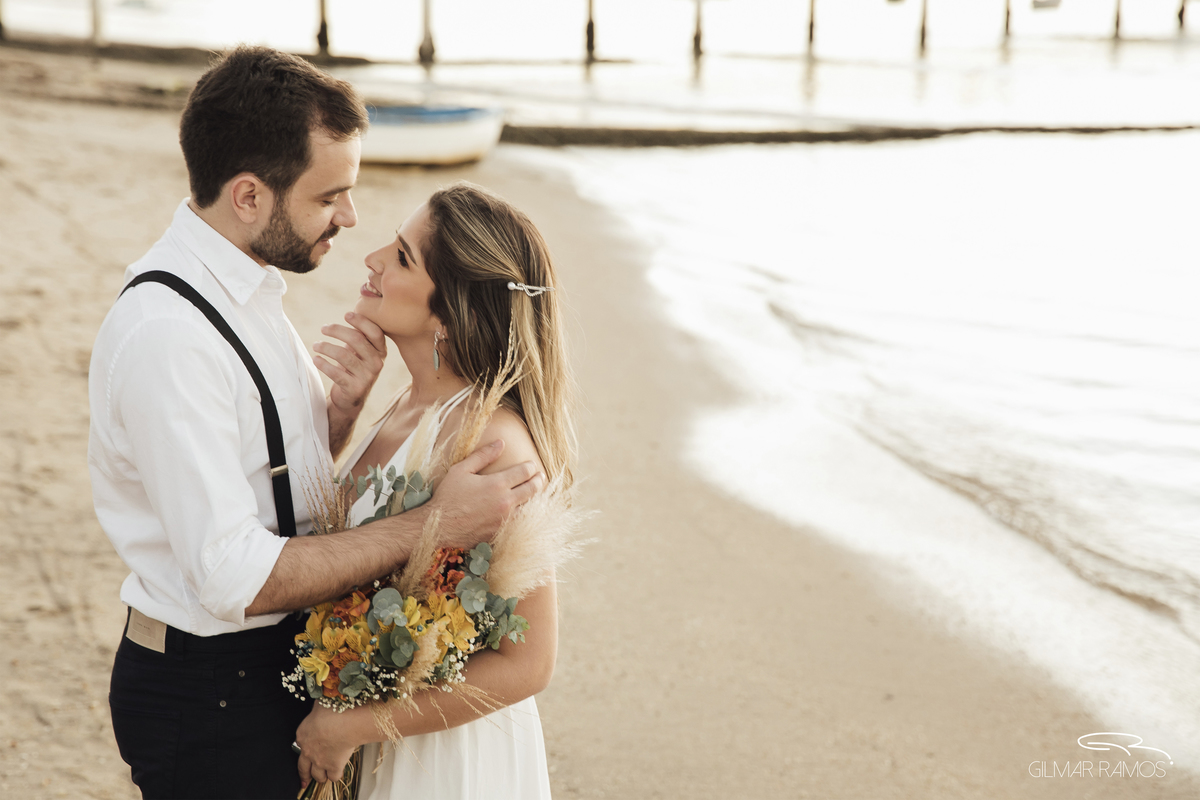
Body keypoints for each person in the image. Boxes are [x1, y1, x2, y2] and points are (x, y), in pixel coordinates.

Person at [87, 47, 543, 800]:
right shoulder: (170, 336)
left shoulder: (250, 290)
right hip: (208, 691)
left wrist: (333, 418)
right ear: (248, 197)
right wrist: (434, 521)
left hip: (265, 679)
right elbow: (231, 574)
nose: (350, 218)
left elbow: (267, 485)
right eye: (330, 195)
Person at [292, 182, 576, 799]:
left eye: (400, 256)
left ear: (447, 311)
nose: (371, 260)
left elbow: (530, 663)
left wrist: (354, 725)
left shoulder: (493, 444)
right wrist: (345, 412)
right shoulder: (406, 405)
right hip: (369, 738)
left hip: (441, 760)